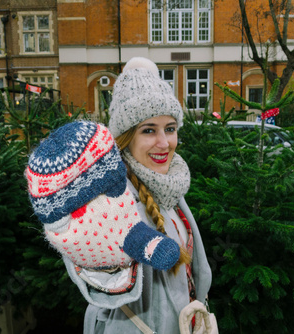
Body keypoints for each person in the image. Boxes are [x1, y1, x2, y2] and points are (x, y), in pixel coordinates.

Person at [80, 57, 213, 333]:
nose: (164, 143)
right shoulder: (110, 201)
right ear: (126, 137)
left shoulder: (169, 187)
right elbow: (95, 270)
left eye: (170, 129)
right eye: (149, 130)